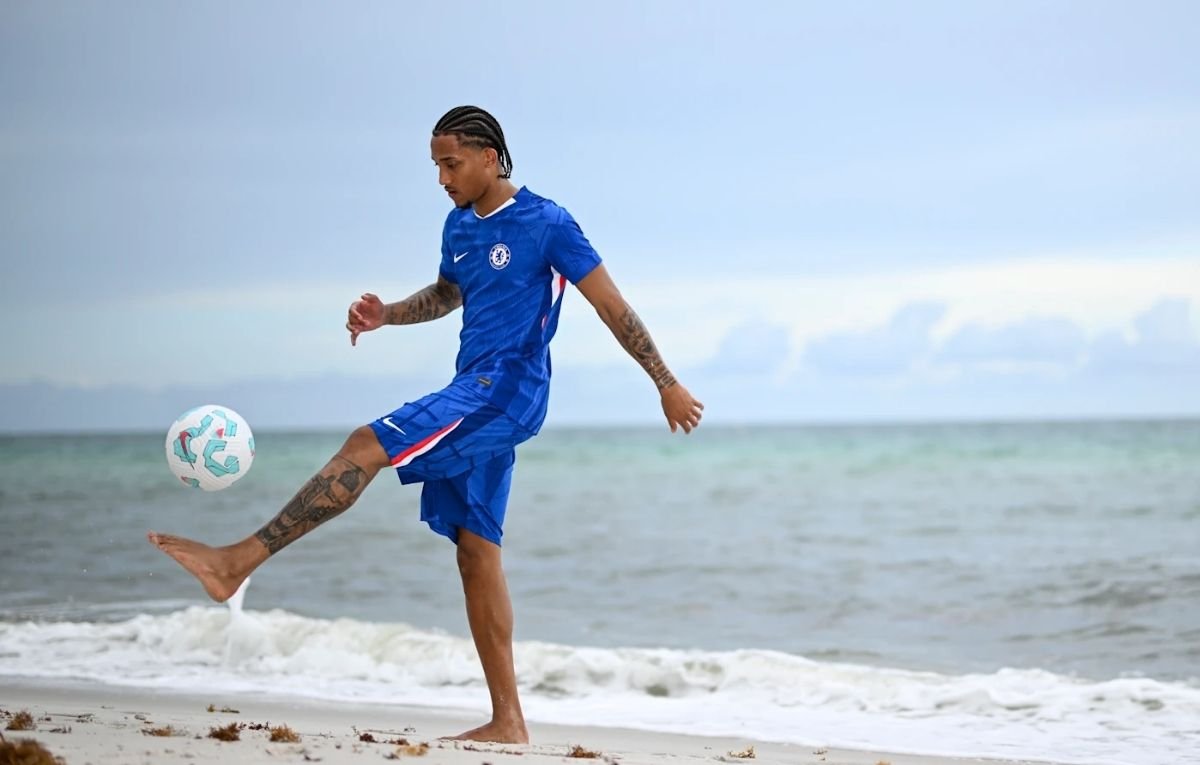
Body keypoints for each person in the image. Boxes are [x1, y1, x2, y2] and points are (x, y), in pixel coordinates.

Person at [147, 105, 704, 744]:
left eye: (451, 163)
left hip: (508, 391)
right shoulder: (458, 226)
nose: (442, 177)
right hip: (472, 387)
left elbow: (612, 305)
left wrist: (665, 382)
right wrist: (387, 314)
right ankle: (509, 721)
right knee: (476, 550)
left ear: (490, 157)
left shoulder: (549, 223)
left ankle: (237, 561)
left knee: (367, 443)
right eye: (436, 165)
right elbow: (447, 294)